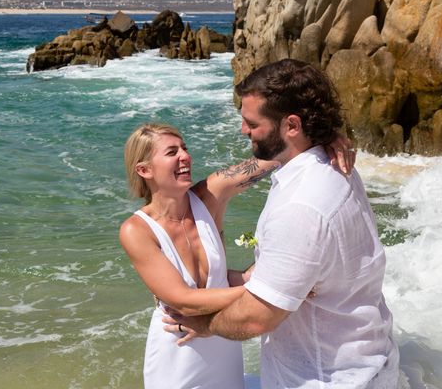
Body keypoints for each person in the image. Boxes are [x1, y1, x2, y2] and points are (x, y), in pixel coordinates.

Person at [166, 59, 399, 389]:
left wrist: (205, 324)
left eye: (251, 123)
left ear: (292, 125)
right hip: (369, 365)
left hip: (324, 380)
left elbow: (256, 317)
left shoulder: (300, 207)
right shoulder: (334, 167)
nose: (243, 130)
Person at [120, 121, 354, 389]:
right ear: (144, 170)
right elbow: (183, 301)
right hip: (179, 347)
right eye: (172, 152)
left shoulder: (210, 195)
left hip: (221, 339)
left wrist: (325, 138)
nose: (185, 156)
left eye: (184, 148)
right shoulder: (136, 230)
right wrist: (268, 289)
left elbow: (275, 157)